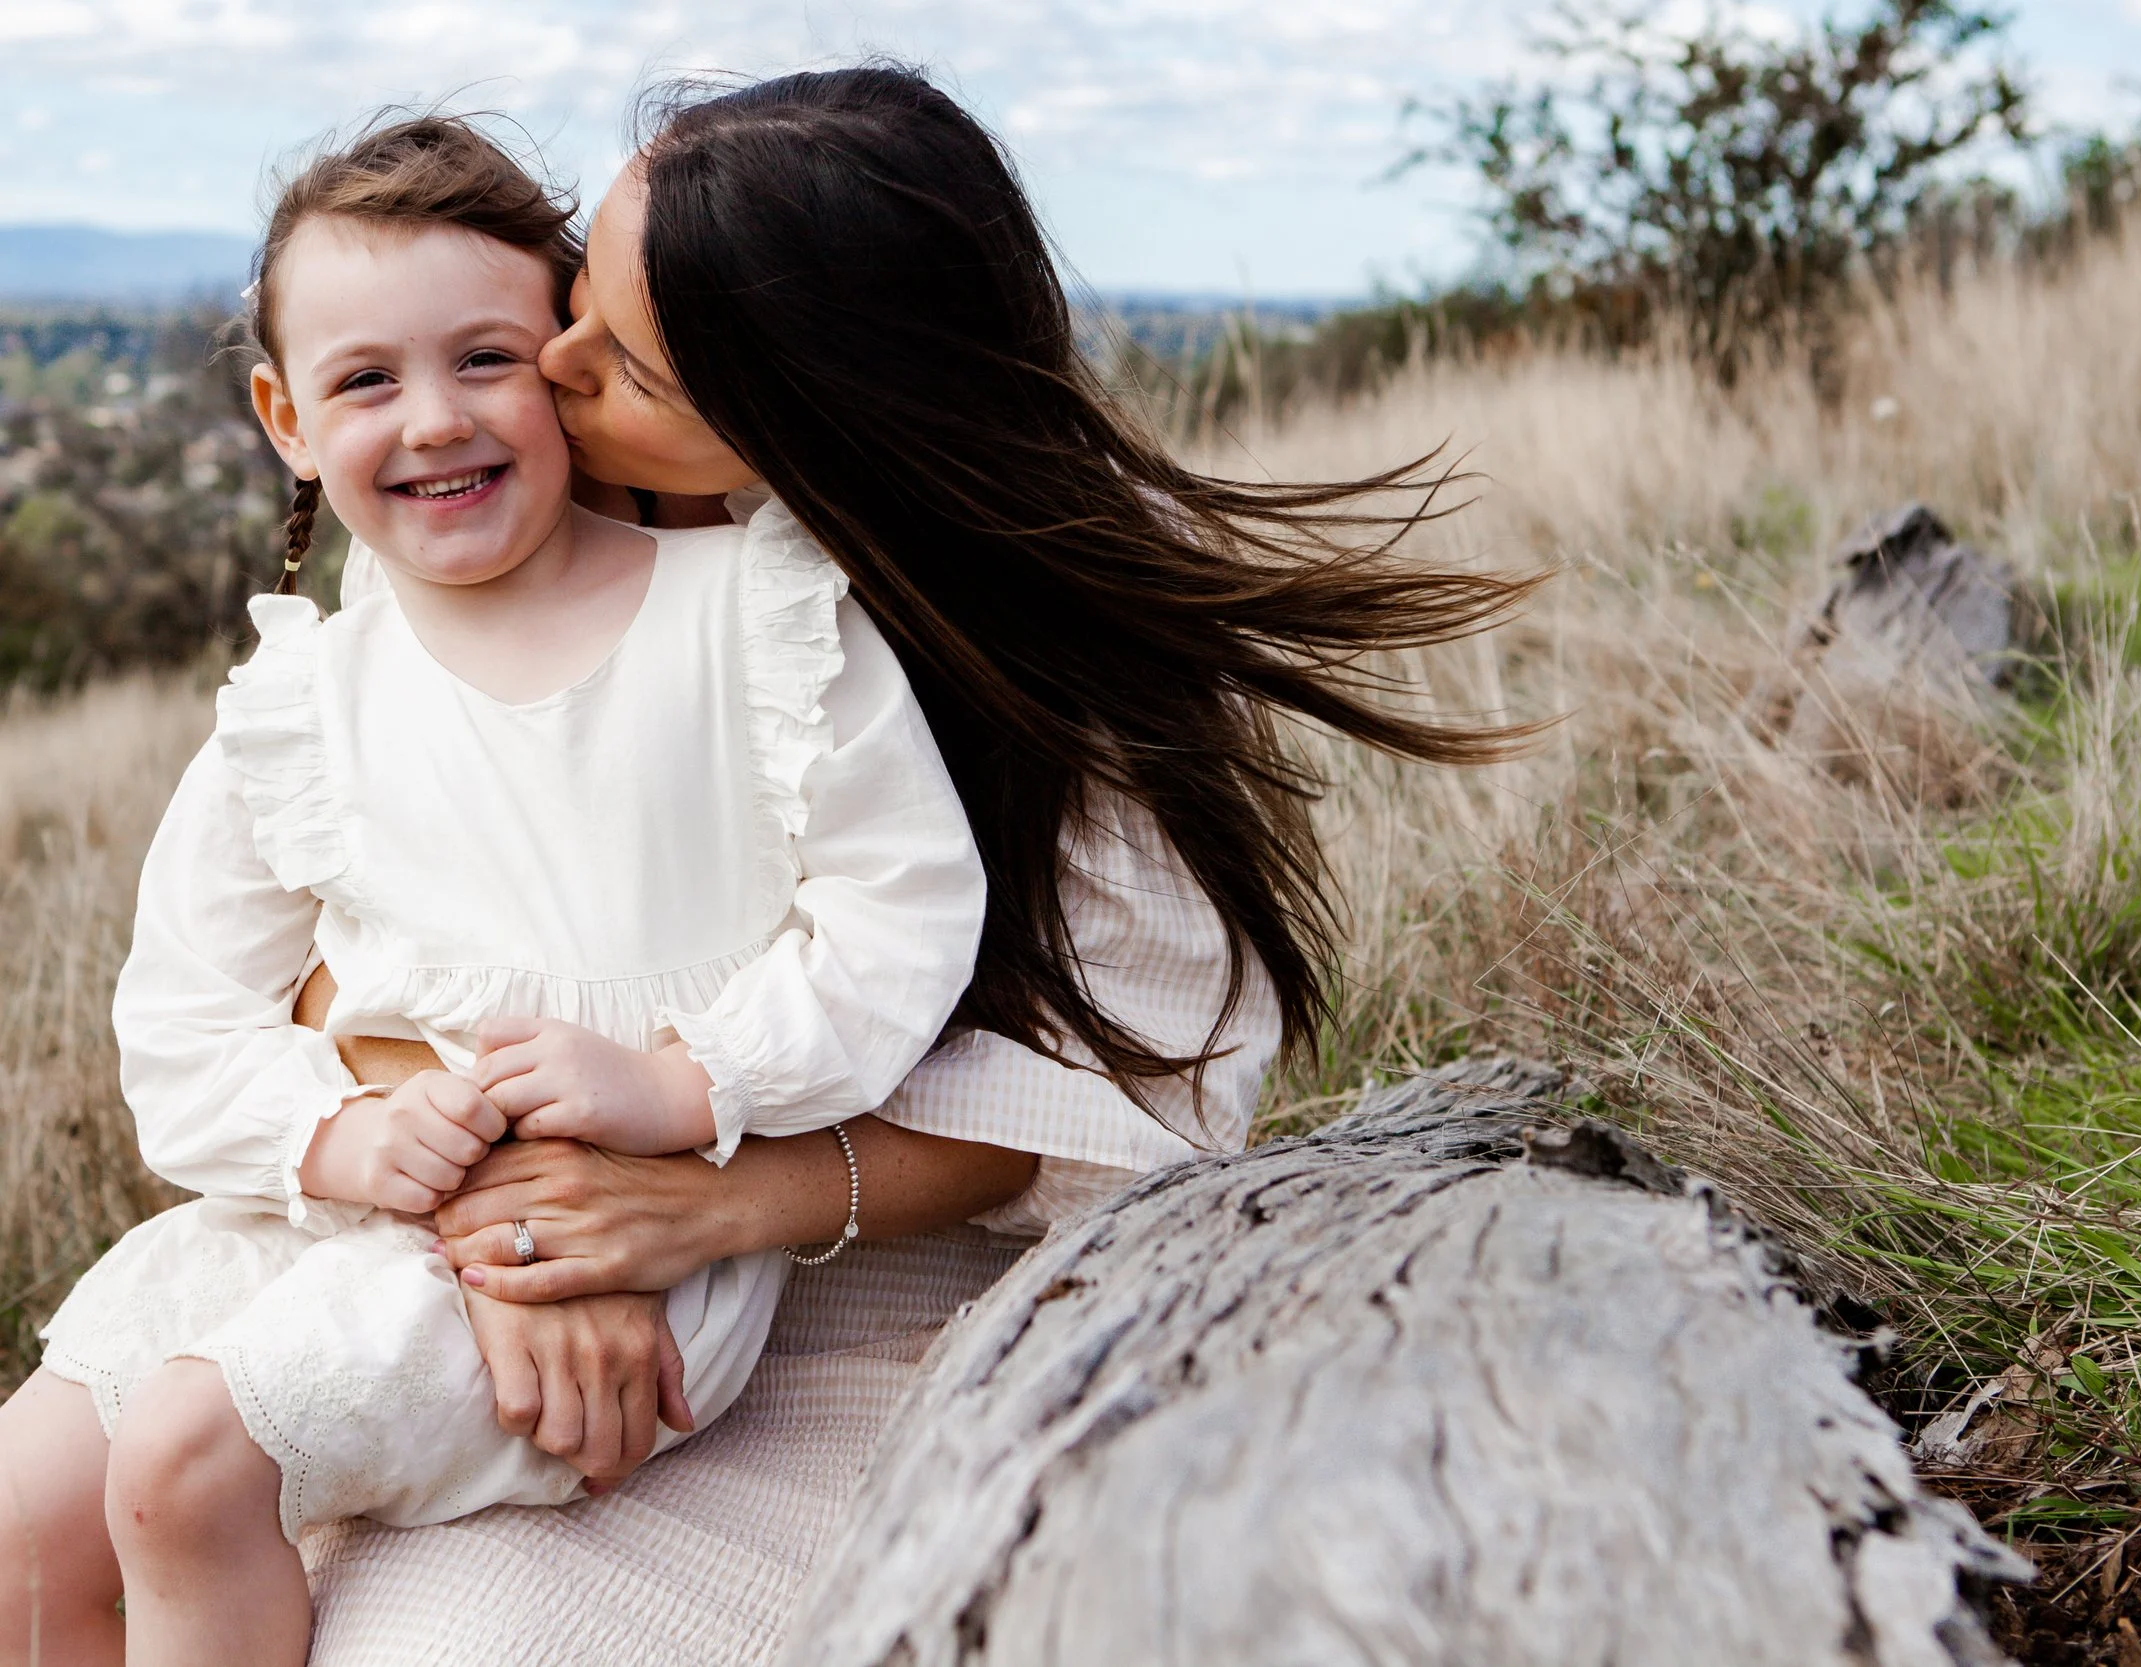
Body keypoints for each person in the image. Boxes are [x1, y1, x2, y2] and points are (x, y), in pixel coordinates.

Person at [283, 66, 1539, 1665]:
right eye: (580, 302)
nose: (554, 363)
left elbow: (1118, 1098)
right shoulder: (549, 547)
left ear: (812, 420)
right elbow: (333, 948)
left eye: (631, 368)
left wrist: (700, 1207)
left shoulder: (1064, 677)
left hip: (895, 1297)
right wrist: (524, 1220)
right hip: (498, 1238)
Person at [0, 115, 990, 1667]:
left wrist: (685, 1082)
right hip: (336, 1205)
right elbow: (182, 1027)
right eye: (366, 379)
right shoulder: (302, 703)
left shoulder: (754, 615)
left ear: (569, 365)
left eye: (485, 358)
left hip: (630, 1239)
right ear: (283, 414)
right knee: (15, 1526)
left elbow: (902, 911)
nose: (434, 418)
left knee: (189, 1467)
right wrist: (341, 1133)